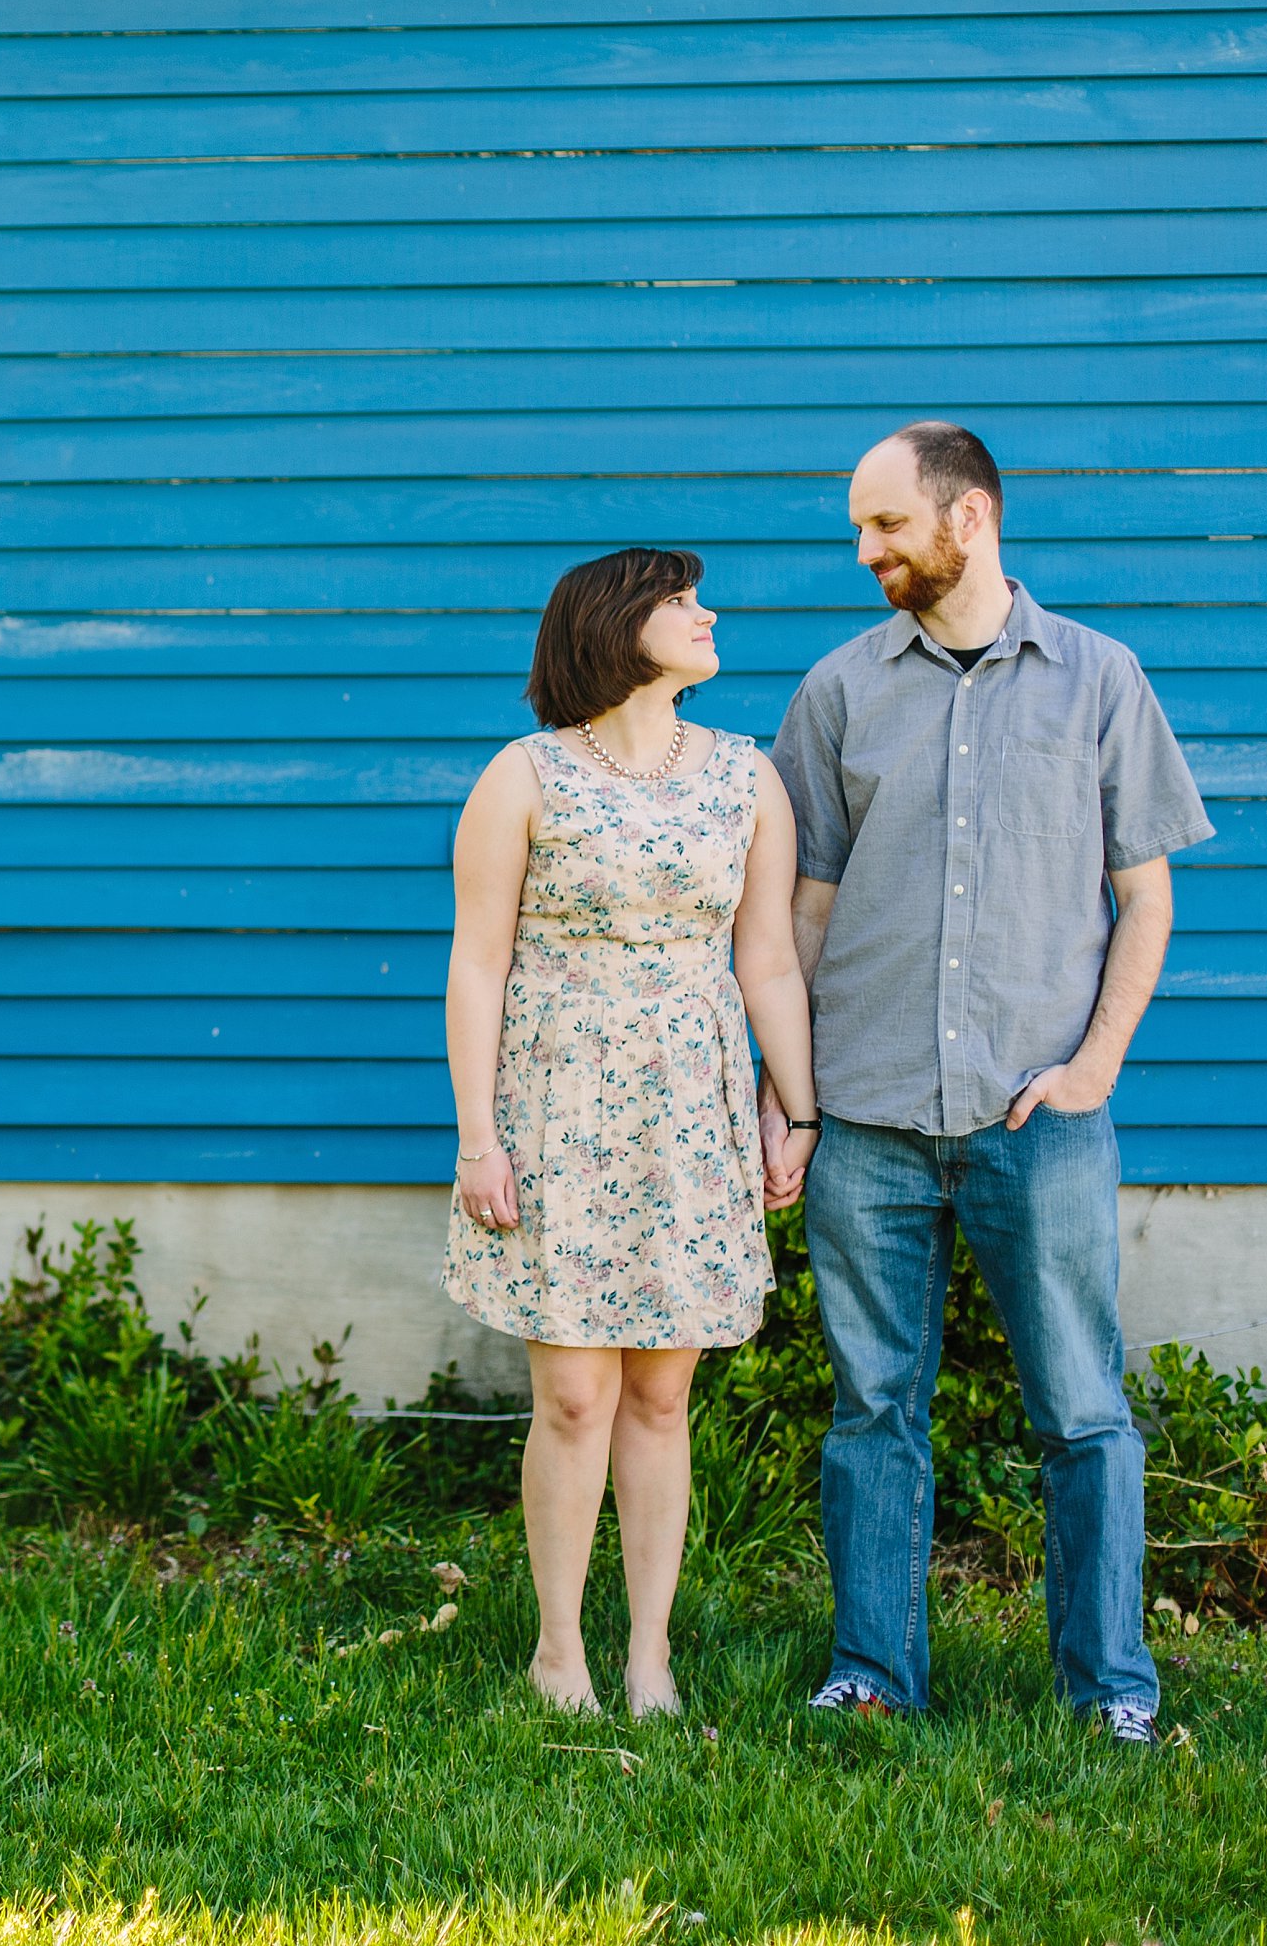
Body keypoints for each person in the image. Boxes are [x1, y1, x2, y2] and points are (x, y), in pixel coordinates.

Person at [769, 422, 1213, 1747]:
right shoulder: (840, 690)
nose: (866, 552)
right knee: (872, 1409)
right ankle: (874, 1669)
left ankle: (1111, 1684)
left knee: (1082, 1408)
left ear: (967, 520)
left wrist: (1095, 1066)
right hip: (869, 1117)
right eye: (860, 528)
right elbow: (799, 914)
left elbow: (1145, 897)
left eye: (886, 526)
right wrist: (783, 1093)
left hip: (1041, 1120)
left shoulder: (1099, 679)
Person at [442, 546, 819, 1720]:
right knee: (571, 1400)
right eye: (679, 601)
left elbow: (765, 961)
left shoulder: (745, 777)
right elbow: (477, 965)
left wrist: (791, 1108)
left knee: (661, 1399)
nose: (707, 616)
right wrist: (476, 1139)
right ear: (615, 626)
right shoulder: (524, 776)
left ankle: (646, 1657)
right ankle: (559, 1651)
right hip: (557, 1112)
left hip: (690, 1115)